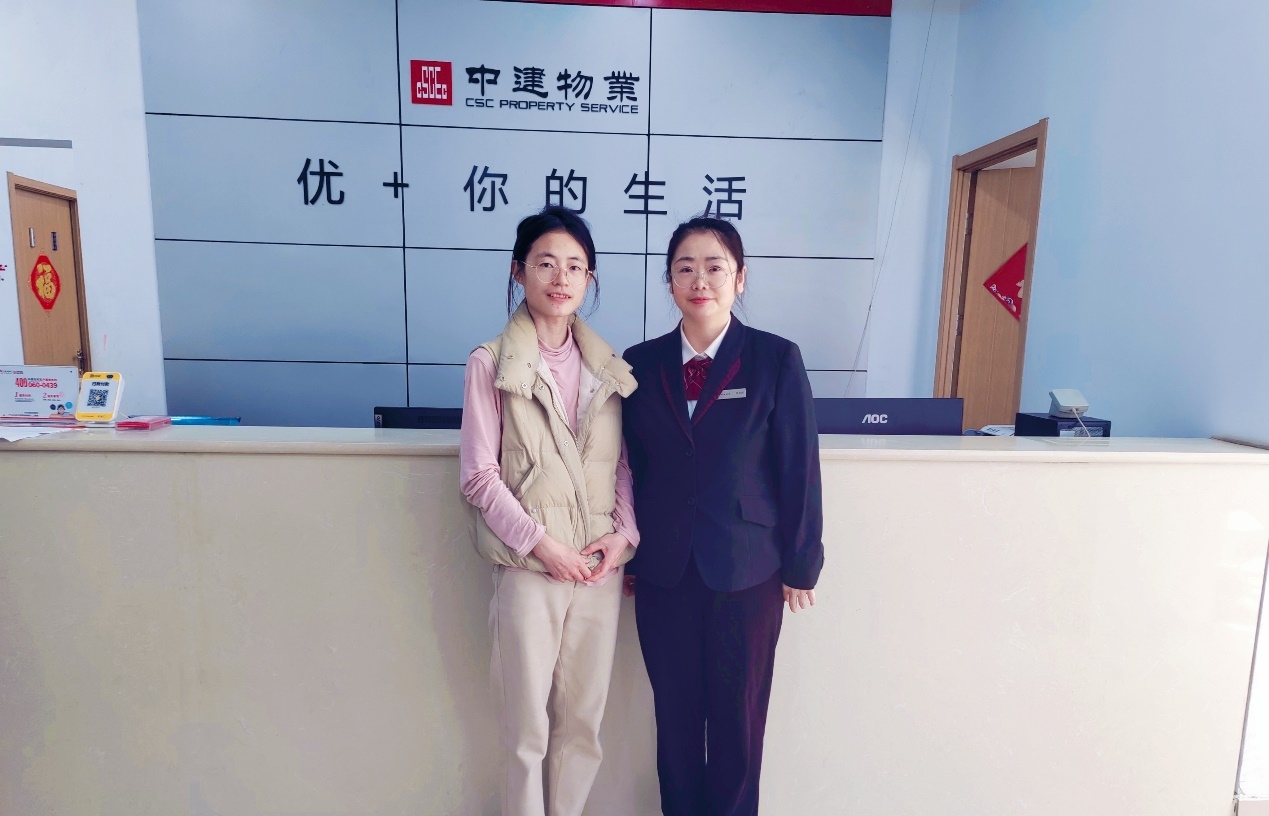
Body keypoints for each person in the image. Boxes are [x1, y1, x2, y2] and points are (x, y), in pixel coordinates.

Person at [621, 216, 825, 816]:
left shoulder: (775, 359)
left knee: (739, 723)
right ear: (669, 281)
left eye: (715, 267)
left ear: (740, 278)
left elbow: (799, 466)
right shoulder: (640, 364)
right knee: (675, 720)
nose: (700, 280)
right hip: (663, 571)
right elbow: (629, 467)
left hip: (749, 570)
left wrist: (803, 562)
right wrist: (629, 553)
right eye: (685, 268)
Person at [459, 206, 639, 816]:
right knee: (526, 731)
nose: (560, 278)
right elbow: (479, 477)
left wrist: (623, 537)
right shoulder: (491, 363)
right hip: (530, 569)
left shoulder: (609, 369)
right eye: (545, 264)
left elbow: (620, 466)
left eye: (575, 267)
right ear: (518, 272)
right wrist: (543, 545)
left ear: (590, 279)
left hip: (597, 570)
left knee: (583, 727)